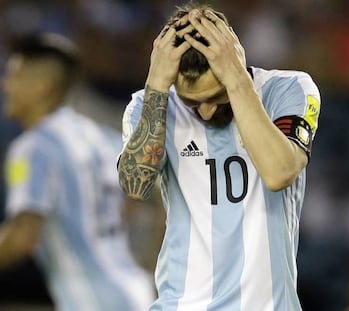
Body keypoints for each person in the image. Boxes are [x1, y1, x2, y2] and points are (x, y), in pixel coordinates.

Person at [118, 3, 321, 310]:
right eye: (193, 103)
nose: (207, 110)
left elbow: (280, 172)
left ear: (235, 61)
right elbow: (135, 186)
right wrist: (157, 86)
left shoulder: (287, 90)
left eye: (216, 95)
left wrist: (236, 79)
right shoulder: (149, 106)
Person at [0, 32, 154, 311]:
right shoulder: (100, 138)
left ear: (42, 87)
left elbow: (23, 236)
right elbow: (144, 200)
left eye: (15, 76)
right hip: (135, 291)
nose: (6, 85)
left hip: (89, 301)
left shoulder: (33, 147)